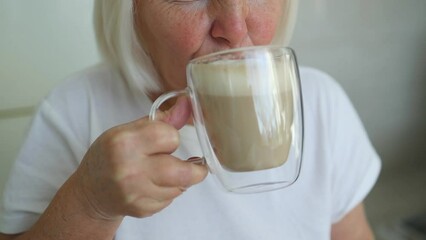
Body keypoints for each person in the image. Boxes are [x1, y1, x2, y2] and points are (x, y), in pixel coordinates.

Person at [0, 0, 381, 239]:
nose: (234, 28)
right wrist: (90, 204)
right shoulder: (74, 110)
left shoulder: (320, 102)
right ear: (131, 10)